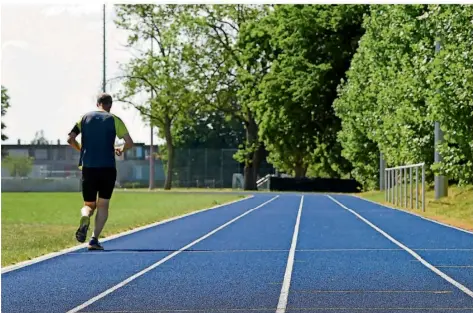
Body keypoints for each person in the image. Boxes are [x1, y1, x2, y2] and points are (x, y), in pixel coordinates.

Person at [67, 93, 133, 250]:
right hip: (108, 168)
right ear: (110, 105)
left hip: (88, 167)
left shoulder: (84, 118)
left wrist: (81, 149)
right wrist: (120, 149)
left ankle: (85, 215)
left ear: (97, 104)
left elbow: (70, 139)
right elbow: (129, 142)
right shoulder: (114, 119)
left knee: (89, 204)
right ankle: (94, 239)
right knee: (103, 205)